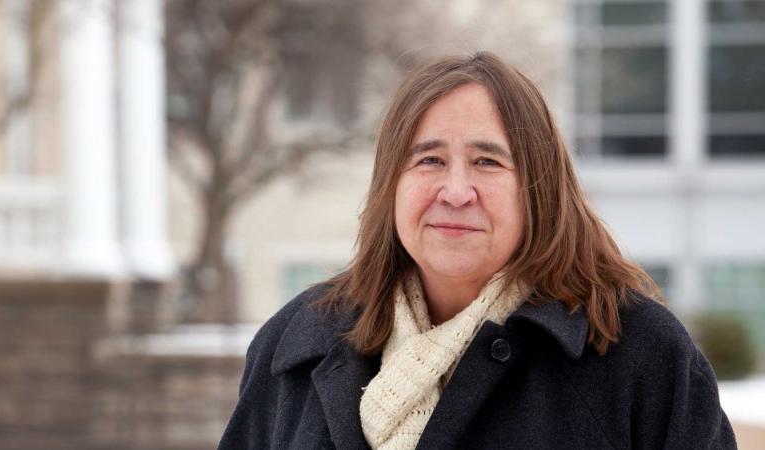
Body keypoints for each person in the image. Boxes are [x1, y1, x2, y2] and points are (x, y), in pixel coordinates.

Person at [217, 52, 737, 449]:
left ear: (537, 188)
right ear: (390, 184)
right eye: (429, 161)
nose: (456, 191)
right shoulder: (295, 343)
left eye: (487, 162)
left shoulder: (637, 354)